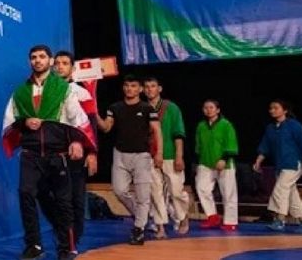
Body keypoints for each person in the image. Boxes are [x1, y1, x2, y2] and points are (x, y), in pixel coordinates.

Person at [2, 45, 95, 260]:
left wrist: (76, 141)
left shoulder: (64, 89)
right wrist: (25, 122)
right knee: (26, 194)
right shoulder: (20, 92)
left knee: (63, 202)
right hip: (30, 153)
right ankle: (33, 246)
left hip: (57, 153)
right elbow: (10, 121)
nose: (37, 60)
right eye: (33, 57)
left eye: (42, 57)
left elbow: (76, 118)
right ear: (29, 61)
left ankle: (67, 248)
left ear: (50, 61)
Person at [46, 51, 101, 253]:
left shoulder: (81, 93)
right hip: (53, 153)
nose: (60, 66)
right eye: (57, 63)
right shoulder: (46, 92)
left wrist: (92, 153)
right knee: (49, 196)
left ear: (72, 68)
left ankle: (72, 242)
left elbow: (91, 125)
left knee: (76, 199)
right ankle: (63, 233)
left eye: (65, 63)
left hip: (77, 155)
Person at [100, 75, 162, 246]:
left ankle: (139, 228)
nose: (129, 89)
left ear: (140, 89)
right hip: (120, 154)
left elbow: (157, 131)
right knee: (119, 190)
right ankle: (142, 216)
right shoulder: (115, 107)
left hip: (142, 155)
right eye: (127, 85)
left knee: (143, 195)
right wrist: (95, 115)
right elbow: (106, 128)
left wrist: (159, 153)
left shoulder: (147, 108)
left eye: (134, 86)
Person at [254, 99, 302, 231]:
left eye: (276, 108)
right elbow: (265, 147)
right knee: (291, 194)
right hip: (280, 166)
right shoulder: (271, 128)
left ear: (285, 110)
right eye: (271, 108)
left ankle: (280, 220)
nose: (272, 110)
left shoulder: (294, 125)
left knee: (280, 189)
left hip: (293, 164)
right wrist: (258, 161)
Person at [143, 77, 190, 238]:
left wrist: (179, 156)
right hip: (149, 155)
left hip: (170, 154)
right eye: (146, 87)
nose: (149, 89)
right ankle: (160, 226)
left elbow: (178, 133)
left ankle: (183, 216)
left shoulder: (171, 108)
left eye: (153, 86)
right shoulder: (142, 108)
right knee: (155, 192)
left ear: (159, 89)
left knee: (176, 190)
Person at [194, 100, 239, 232]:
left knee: (228, 193)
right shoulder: (201, 126)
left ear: (218, 110)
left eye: (211, 107)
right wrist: (198, 161)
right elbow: (198, 145)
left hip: (224, 164)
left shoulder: (226, 125)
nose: (208, 110)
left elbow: (231, 143)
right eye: (205, 107)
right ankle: (212, 216)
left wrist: (224, 159)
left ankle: (230, 221)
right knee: (202, 188)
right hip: (205, 162)